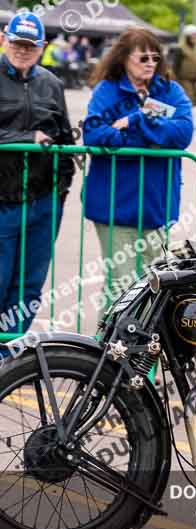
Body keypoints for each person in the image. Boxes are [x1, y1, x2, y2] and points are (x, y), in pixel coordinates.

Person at [83, 28, 194, 308]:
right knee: (121, 285)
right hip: (114, 206)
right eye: (142, 57)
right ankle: (107, 350)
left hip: (156, 206)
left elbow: (183, 134)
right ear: (123, 59)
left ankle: (140, 350)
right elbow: (95, 135)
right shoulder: (107, 91)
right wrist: (155, 141)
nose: (150, 63)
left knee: (151, 284)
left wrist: (135, 121)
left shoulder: (171, 90)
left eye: (155, 57)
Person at [0, 12, 75, 335]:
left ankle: (7, 358)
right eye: (17, 42)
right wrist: (25, 140)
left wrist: (60, 193)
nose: (22, 50)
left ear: (42, 47)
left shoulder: (52, 83)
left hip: (44, 202)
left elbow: (65, 139)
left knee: (29, 289)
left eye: (30, 45)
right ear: (4, 38)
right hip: (3, 201)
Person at [174, 24, 196, 106]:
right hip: (184, 80)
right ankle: (183, 116)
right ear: (187, 36)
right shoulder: (181, 48)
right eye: (193, 35)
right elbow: (176, 65)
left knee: (195, 101)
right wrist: (176, 80)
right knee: (187, 99)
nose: (195, 37)